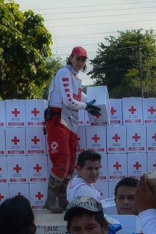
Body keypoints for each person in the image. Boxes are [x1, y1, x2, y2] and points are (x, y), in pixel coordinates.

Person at [45, 46, 99, 213]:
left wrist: (96, 104)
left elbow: (81, 97)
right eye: (78, 59)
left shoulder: (75, 78)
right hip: (58, 119)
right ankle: (50, 199)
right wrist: (86, 106)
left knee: (70, 164)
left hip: (71, 122)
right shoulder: (63, 73)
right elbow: (69, 101)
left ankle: (62, 200)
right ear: (71, 58)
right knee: (62, 159)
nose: (80, 62)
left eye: (83, 60)